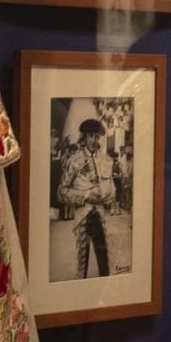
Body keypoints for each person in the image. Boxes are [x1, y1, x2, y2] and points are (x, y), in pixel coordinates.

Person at [57, 117, 117, 278]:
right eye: (90, 136)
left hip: (99, 215)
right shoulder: (74, 161)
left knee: (104, 262)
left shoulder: (104, 160)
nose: (93, 139)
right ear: (84, 137)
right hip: (83, 216)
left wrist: (108, 195)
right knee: (82, 264)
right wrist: (85, 195)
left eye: (96, 136)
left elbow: (111, 188)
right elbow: (62, 192)